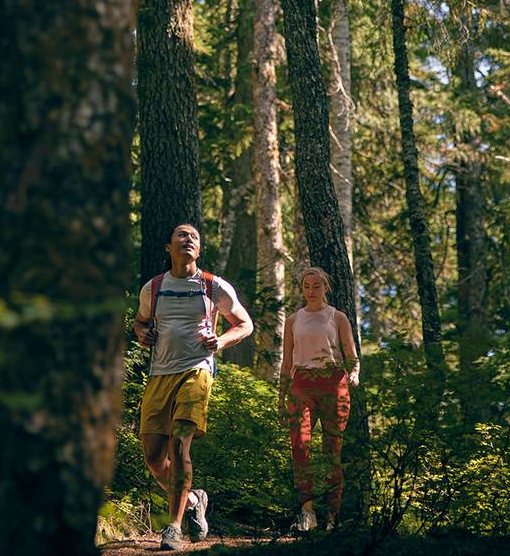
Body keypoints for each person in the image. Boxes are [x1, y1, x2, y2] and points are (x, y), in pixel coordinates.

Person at [133, 223, 253, 551]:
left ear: (199, 250)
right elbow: (140, 322)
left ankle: (173, 528)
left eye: (194, 237)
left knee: (179, 445)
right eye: (182, 235)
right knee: (154, 457)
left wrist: (221, 341)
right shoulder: (153, 288)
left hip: (196, 371)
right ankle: (193, 500)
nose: (189, 240)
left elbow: (245, 324)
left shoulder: (213, 286)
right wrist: (142, 334)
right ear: (168, 247)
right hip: (159, 374)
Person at [279, 266, 359, 532]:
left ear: (326, 287)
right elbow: (286, 362)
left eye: (316, 286)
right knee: (299, 447)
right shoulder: (293, 320)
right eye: (306, 286)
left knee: (331, 451)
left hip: (332, 382)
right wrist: (281, 397)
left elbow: (351, 355)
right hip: (301, 383)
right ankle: (307, 512)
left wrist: (354, 374)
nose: (311, 291)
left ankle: (332, 516)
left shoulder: (337, 317)